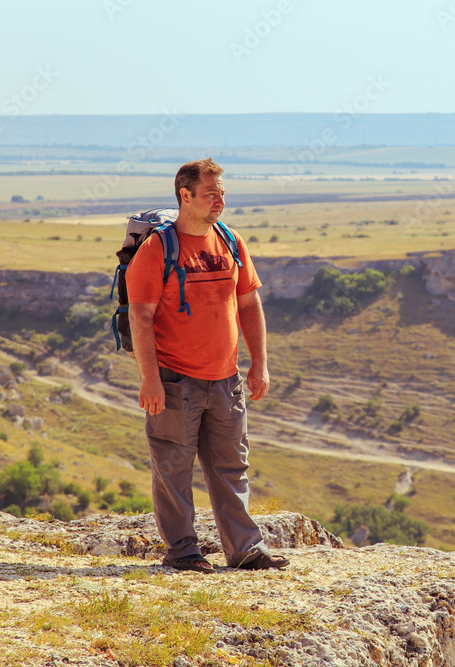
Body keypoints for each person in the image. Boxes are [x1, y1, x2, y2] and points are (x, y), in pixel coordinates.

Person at [126, 158, 288, 573]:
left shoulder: (230, 241)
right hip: (175, 381)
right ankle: (182, 552)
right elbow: (140, 316)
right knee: (173, 469)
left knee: (231, 466)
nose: (220, 199)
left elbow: (250, 304)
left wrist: (259, 364)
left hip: (225, 379)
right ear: (186, 195)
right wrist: (150, 379)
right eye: (211, 192)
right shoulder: (157, 249)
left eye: (222, 191)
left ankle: (246, 550)